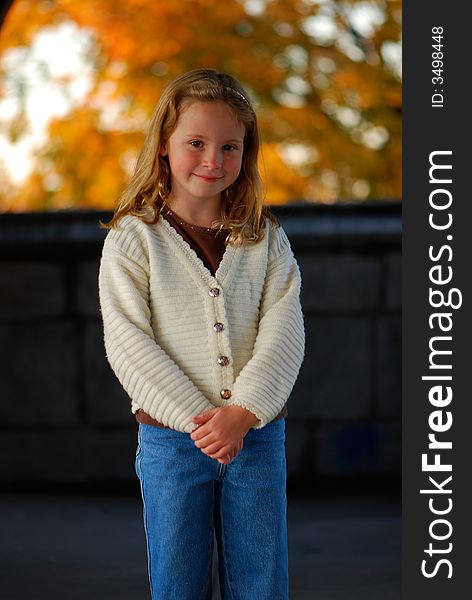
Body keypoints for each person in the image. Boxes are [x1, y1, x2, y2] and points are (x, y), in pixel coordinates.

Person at [98, 68, 305, 600]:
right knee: (178, 584)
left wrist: (242, 413)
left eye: (229, 147)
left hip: (256, 437)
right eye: (196, 143)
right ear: (164, 146)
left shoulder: (265, 239)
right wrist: (201, 421)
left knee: (263, 583)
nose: (213, 161)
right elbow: (128, 342)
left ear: (246, 153)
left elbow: (284, 331)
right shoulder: (132, 239)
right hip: (170, 442)